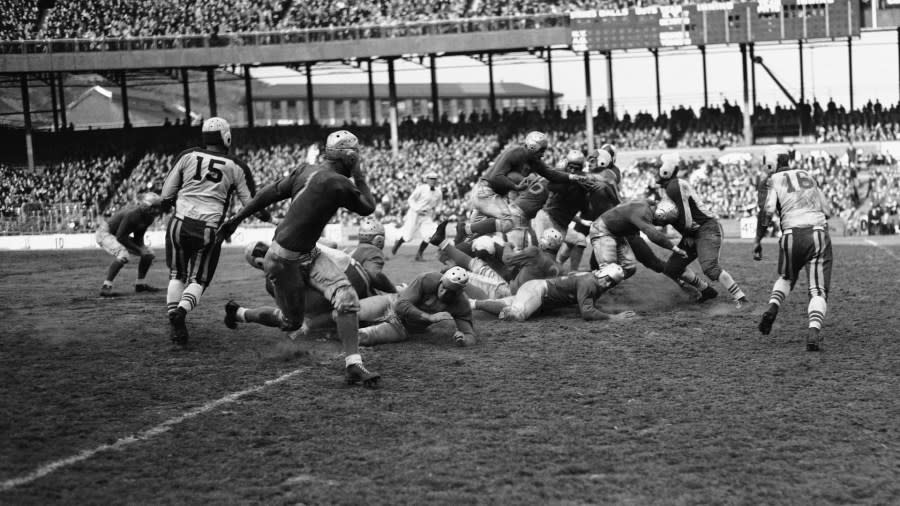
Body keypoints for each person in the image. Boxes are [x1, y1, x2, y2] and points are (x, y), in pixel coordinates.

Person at [216, 130, 380, 387]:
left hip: (305, 253)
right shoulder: (339, 183)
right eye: (354, 157)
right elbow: (368, 207)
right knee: (290, 322)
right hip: (284, 262)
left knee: (346, 297)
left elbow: (266, 195)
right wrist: (359, 174)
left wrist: (235, 220)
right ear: (348, 157)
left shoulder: (304, 170)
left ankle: (353, 364)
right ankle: (238, 313)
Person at [160, 117, 268, 345]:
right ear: (226, 136)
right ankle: (181, 312)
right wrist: (268, 217)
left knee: (176, 274)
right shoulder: (236, 166)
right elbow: (251, 203)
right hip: (209, 228)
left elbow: (166, 194)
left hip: (178, 223)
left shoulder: (187, 155)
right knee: (198, 279)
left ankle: (174, 320)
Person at [753, 145, 834, 351]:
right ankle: (813, 333)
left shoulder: (772, 181)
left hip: (790, 235)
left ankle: (773, 306)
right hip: (816, 233)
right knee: (817, 291)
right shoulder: (807, 175)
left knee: (787, 277)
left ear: (771, 163)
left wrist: (758, 240)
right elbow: (828, 210)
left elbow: (768, 211)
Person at [460, 131, 592, 241]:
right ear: (533, 147)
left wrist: (572, 177)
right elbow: (496, 177)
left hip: (491, 195)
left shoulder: (534, 161)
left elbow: (551, 174)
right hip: (486, 192)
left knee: (475, 238)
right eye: (542, 150)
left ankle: (454, 251)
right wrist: (516, 186)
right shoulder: (515, 153)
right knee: (509, 221)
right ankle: (464, 229)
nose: (543, 154)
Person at [657, 154, 750, 308]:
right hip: (694, 231)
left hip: (705, 228)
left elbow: (686, 217)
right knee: (672, 269)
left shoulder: (674, 186)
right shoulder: (672, 186)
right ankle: (706, 291)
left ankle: (741, 298)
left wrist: (686, 233)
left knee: (710, 268)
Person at [588, 199, 717, 300]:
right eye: (661, 223)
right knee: (609, 269)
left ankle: (595, 286)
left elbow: (654, 207)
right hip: (604, 231)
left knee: (629, 268)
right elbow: (652, 234)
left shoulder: (648, 206)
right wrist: (674, 248)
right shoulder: (643, 213)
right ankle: (585, 293)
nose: (658, 225)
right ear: (660, 214)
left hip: (620, 233)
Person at [358, 267, 476, 347]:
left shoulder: (461, 304)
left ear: (458, 293)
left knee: (362, 337)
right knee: (352, 311)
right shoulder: (427, 279)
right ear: (440, 281)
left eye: (450, 292)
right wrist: (429, 317)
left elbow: (470, 335)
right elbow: (400, 305)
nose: (444, 293)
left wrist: (464, 340)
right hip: (390, 303)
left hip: (403, 328)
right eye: (443, 287)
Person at [472, 264, 636, 322]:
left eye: (611, 283)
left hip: (536, 291)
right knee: (516, 316)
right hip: (538, 291)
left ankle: (471, 304)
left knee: (503, 306)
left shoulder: (591, 280)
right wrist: (614, 317)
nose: (607, 284)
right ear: (602, 274)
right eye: (608, 279)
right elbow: (587, 312)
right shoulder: (590, 283)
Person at [95, 192, 164, 296]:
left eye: (158, 207)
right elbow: (120, 237)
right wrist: (140, 250)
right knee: (123, 255)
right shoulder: (133, 214)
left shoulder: (149, 217)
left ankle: (140, 284)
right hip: (105, 232)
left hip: (117, 234)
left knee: (149, 254)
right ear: (145, 206)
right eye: (154, 207)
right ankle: (106, 286)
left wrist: (143, 251)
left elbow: (139, 236)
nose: (157, 210)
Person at [391, 171, 443, 261]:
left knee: (430, 235)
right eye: (431, 179)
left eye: (435, 179)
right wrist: (416, 208)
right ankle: (398, 244)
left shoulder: (438, 192)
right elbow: (411, 199)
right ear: (427, 180)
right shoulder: (421, 188)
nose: (433, 181)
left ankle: (419, 255)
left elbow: (439, 204)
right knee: (408, 236)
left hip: (426, 216)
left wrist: (438, 211)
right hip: (414, 214)